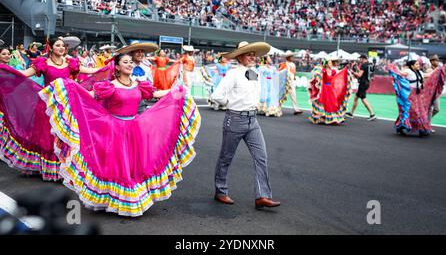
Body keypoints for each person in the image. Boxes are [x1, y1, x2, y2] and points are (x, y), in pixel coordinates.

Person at [38, 53, 201, 216]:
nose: (130, 64)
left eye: (131, 62)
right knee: (117, 166)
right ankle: (113, 200)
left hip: (135, 129)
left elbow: (155, 94)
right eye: (125, 62)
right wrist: (69, 87)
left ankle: (131, 198)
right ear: (117, 67)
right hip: (114, 130)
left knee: (133, 166)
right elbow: (90, 96)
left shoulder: (139, 85)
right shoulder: (110, 86)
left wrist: (176, 91)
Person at [0, 37, 102, 181]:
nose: (61, 48)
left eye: (63, 46)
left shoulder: (70, 63)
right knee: (46, 138)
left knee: (64, 136)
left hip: (67, 106)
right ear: (51, 47)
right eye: (58, 45)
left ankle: (63, 169)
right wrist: (4, 70)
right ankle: (44, 168)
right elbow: (23, 75)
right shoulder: (43, 63)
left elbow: (91, 70)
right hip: (47, 106)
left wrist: (107, 67)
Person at [211, 41, 281, 209]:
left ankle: (262, 196)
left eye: (253, 54)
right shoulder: (233, 74)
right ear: (240, 56)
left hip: (252, 120)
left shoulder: (255, 73)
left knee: (261, 157)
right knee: (226, 158)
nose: (252, 57)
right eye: (249, 54)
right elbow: (216, 95)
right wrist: (231, 103)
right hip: (235, 119)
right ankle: (220, 191)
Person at [389, 60, 446, 136]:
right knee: (412, 111)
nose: (418, 65)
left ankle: (421, 129)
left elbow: (428, 75)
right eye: (416, 64)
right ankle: (402, 127)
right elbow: (399, 74)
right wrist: (393, 69)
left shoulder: (420, 72)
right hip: (409, 95)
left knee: (420, 111)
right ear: (412, 65)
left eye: (418, 64)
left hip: (418, 95)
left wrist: (437, 70)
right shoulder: (408, 71)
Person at [308, 56, 352, 125]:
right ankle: (322, 118)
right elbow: (318, 72)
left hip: (331, 90)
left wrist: (346, 72)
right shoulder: (323, 70)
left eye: (331, 62)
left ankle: (334, 118)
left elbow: (338, 76)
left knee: (333, 104)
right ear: (326, 63)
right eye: (329, 62)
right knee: (325, 104)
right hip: (324, 89)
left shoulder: (333, 71)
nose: (330, 64)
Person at [117, 41, 158, 113]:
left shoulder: (147, 68)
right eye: (137, 51)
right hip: (123, 102)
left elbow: (150, 85)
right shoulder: (124, 67)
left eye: (142, 51)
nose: (140, 54)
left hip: (140, 104)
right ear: (131, 53)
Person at [346, 54, 376, 121]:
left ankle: (372, 114)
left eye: (360, 59)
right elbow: (362, 72)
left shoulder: (363, 65)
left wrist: (352, 72)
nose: (360, 60)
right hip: (366, 83)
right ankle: (351, 113)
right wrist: (356, 68)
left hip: (363, 84)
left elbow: (359, 75)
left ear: (363, 59)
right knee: (356, 97)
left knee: (363, 99)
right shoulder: (368, 64)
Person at [278, 51, 303, 115]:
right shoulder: (283, 64)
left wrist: (294, 77)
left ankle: (296, 109)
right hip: (285, 82)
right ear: (288, 57)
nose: (293, 58)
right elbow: (279, 72)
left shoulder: (293, 64)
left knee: (293, 95)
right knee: (281, 95)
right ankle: (277, 107)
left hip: (291, 82)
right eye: (291, 57)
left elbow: (293, 72)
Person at [426, 55, 442, 129]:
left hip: (437, 92)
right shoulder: (429, 70)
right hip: (430, 92)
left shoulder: (439, 69)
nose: (437, 62)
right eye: (435, 60)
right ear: (431, 61)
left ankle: (425, 121)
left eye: (437, 60)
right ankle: (427, 125)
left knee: (436, 109)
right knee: (430, 109)